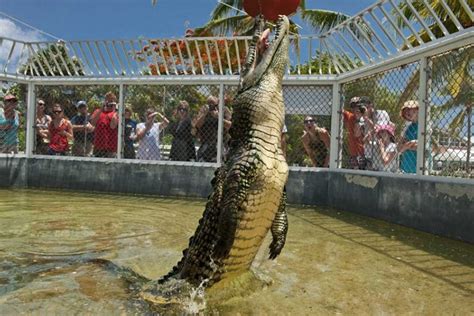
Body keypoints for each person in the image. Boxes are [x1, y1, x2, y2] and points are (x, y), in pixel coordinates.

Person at [193, 96, 231, 162]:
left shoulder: (224, 109)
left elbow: (229, 125)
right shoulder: (204, 110)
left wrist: (218, 117)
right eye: (209, 103)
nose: (211, 106)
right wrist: (204, 114)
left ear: (218, 103)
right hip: (205, 143)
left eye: (213, 104)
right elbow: (197, 125)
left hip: (220, 144)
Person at [90, 92, 119, 158]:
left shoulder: (115, 113)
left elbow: (113, 126)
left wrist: (115, 110)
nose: (109, 102)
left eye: (111, 100)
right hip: (98, 146)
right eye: (107, 100)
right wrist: (101, 108)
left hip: (111, 147)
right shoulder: (98, 111)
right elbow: (93, 123)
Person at [343, 97, 366, 169]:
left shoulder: (366, 119)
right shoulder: (350, 116)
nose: (356, 108)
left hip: (363, 153)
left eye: (358, 105)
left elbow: (357, 134)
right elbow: (339, 110)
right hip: (353, 153)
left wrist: (360, 118)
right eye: (353, 106)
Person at [399, 100, 419, 174]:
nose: (407, 113)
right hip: (405, 167)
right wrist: (411, 143)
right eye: (405, 111)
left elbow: (422, 146)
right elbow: (399, 148)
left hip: (418, 168)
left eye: (409, 109)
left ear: (417, 110)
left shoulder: (424, 126)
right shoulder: (408, 127)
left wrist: (407, 145)